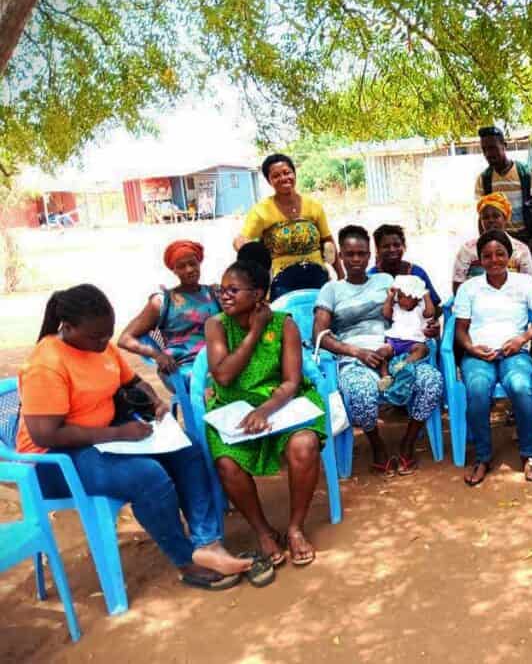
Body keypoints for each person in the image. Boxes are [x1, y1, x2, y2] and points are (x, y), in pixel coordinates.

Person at [17, 285, 255, 590]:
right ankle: (186, 561)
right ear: (68, 327)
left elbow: (134, 381)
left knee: (188, 450)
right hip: (52, 460)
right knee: (148, 477)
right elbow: (46, 433)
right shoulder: (46, 364)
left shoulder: (100, 346)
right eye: (96, 337)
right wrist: (119, 433)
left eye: (108, 334)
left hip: (104, 438)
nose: (105, 342)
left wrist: (155, 401)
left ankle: (207, 544)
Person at [204, 258, 328, 567]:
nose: (225, 296)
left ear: (258, 294)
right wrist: (254, 333)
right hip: (231, 408)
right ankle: (263, 532)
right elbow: (223, 376)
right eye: (222, 290)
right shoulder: (216, 325)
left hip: (280, 404)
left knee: (304, 444)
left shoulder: (284, 323)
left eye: (234, 290)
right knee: (227, 462)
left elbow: (291, 381)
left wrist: (265, 410)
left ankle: (296, 527)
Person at [313, 225, 444, 476]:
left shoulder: (384, 281)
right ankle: (377, 445)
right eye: (349, 254)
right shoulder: (331, 290)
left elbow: (411, 309)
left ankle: (407, 443)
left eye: (361, 254)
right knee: (361, 391)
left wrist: (428, 326)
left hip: (396, 350)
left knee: (432, 381)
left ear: (369, 255)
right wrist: (356, 352)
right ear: (340, 256)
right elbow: (319, 335)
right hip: (355, 356)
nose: (355, 260)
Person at [454, 229, 532, 486]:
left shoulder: (524, 283)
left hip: (515, 352)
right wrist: (472, 349)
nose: (494, 260)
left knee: (520, 386)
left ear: (509, 256)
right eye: (487, 256)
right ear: (480, 260)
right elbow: (461, 331)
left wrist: (523, 338)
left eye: (500, 254)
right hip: (479, 355)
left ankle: (529, 454)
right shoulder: (469, 288)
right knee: (476, 389)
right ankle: (482, 457)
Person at [233, 153, 343, 301]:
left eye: (287, 172)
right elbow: (242, 238)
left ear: (294, 173)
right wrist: (244, 248)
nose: (284, 178)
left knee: (322, 317)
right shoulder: (261, 211)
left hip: (317, 275)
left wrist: (341, 276)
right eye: (276, 176)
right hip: (282, 281)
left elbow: (328, 241)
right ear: (269, 180)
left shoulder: (313, 206)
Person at [117, 240, 220, 388]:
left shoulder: (214, 293)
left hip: (218, 359)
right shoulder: (163, 301)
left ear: (199, 263)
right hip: (182, 366)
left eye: (192, 263)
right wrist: (157, 355)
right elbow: (125, 339)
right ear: (174, 270)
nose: (189, 269)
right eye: (181, 266)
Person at [476, 126, 532, 266]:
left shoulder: (526, 173)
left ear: (504, 146)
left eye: (493, 148)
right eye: (484, 150)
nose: (489, 153)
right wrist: (483, 242)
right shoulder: (484, 179)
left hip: (527, 238)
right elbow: (482, 216)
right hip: (499, 241)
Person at [452, 193, 532, 293]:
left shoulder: (521, 250)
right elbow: (458, 284)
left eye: (496, 216)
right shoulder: (467, 249)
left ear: (505, 219)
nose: (491, 220)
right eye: (486, 217)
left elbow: (528, 285)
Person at [379, 274, 436, 390]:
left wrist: (425, 295)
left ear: (416, 297)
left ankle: (404, 364)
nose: (401, 300)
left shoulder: (420, 310)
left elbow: (430, 312)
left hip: (413, 343)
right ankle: (385, 377)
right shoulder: (396, 308)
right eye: (399, 297)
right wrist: (390, 297)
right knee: (382, 352)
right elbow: (386, 313)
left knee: (422, 349)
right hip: (394, 341)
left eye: (406, 297)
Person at [369, 223, 443, 308]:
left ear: (404, 246)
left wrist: (431, 318)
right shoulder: (372, 276)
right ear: (377, 250)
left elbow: (436, 306)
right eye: (386, 246)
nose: (392, 249)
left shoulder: (417, 273)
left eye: (396, 245)